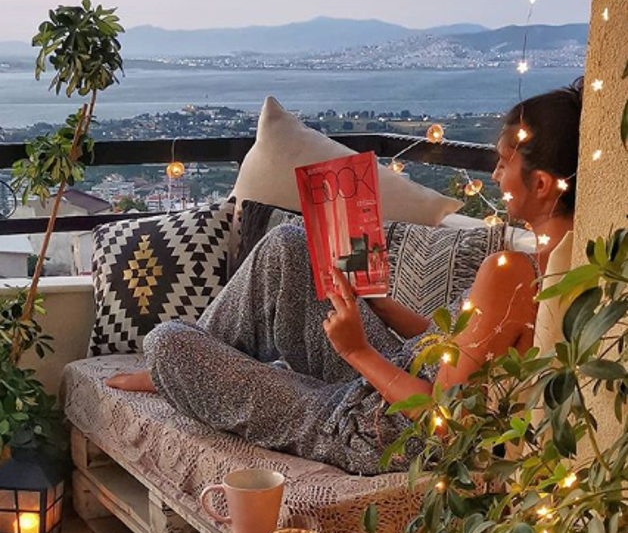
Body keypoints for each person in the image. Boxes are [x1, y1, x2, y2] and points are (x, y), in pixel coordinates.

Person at [106, 83, 582, 475]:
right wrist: (379, 306)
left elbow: (445, 420)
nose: (496, 173)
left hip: (375, 427)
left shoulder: (513, 273)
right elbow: (458, 357)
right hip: (392, 378)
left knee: (168, 342)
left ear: (541, 184)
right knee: (291, 246)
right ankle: (186, 370)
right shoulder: (553, 267)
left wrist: (356, 350)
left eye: (504, 162)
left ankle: (177, 370)